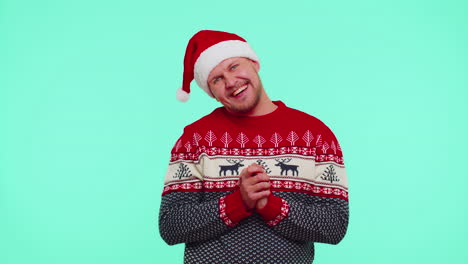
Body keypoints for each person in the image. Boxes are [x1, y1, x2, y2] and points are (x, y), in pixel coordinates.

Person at [159, 30, 349, 264]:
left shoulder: (315, 136)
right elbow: (170, 226)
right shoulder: (195, 139)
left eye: (233, 66)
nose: (230, 82)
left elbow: (335, 226)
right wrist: (238, 202)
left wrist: (270, 205)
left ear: (253, 63)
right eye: (216, 79)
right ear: (212, 94)